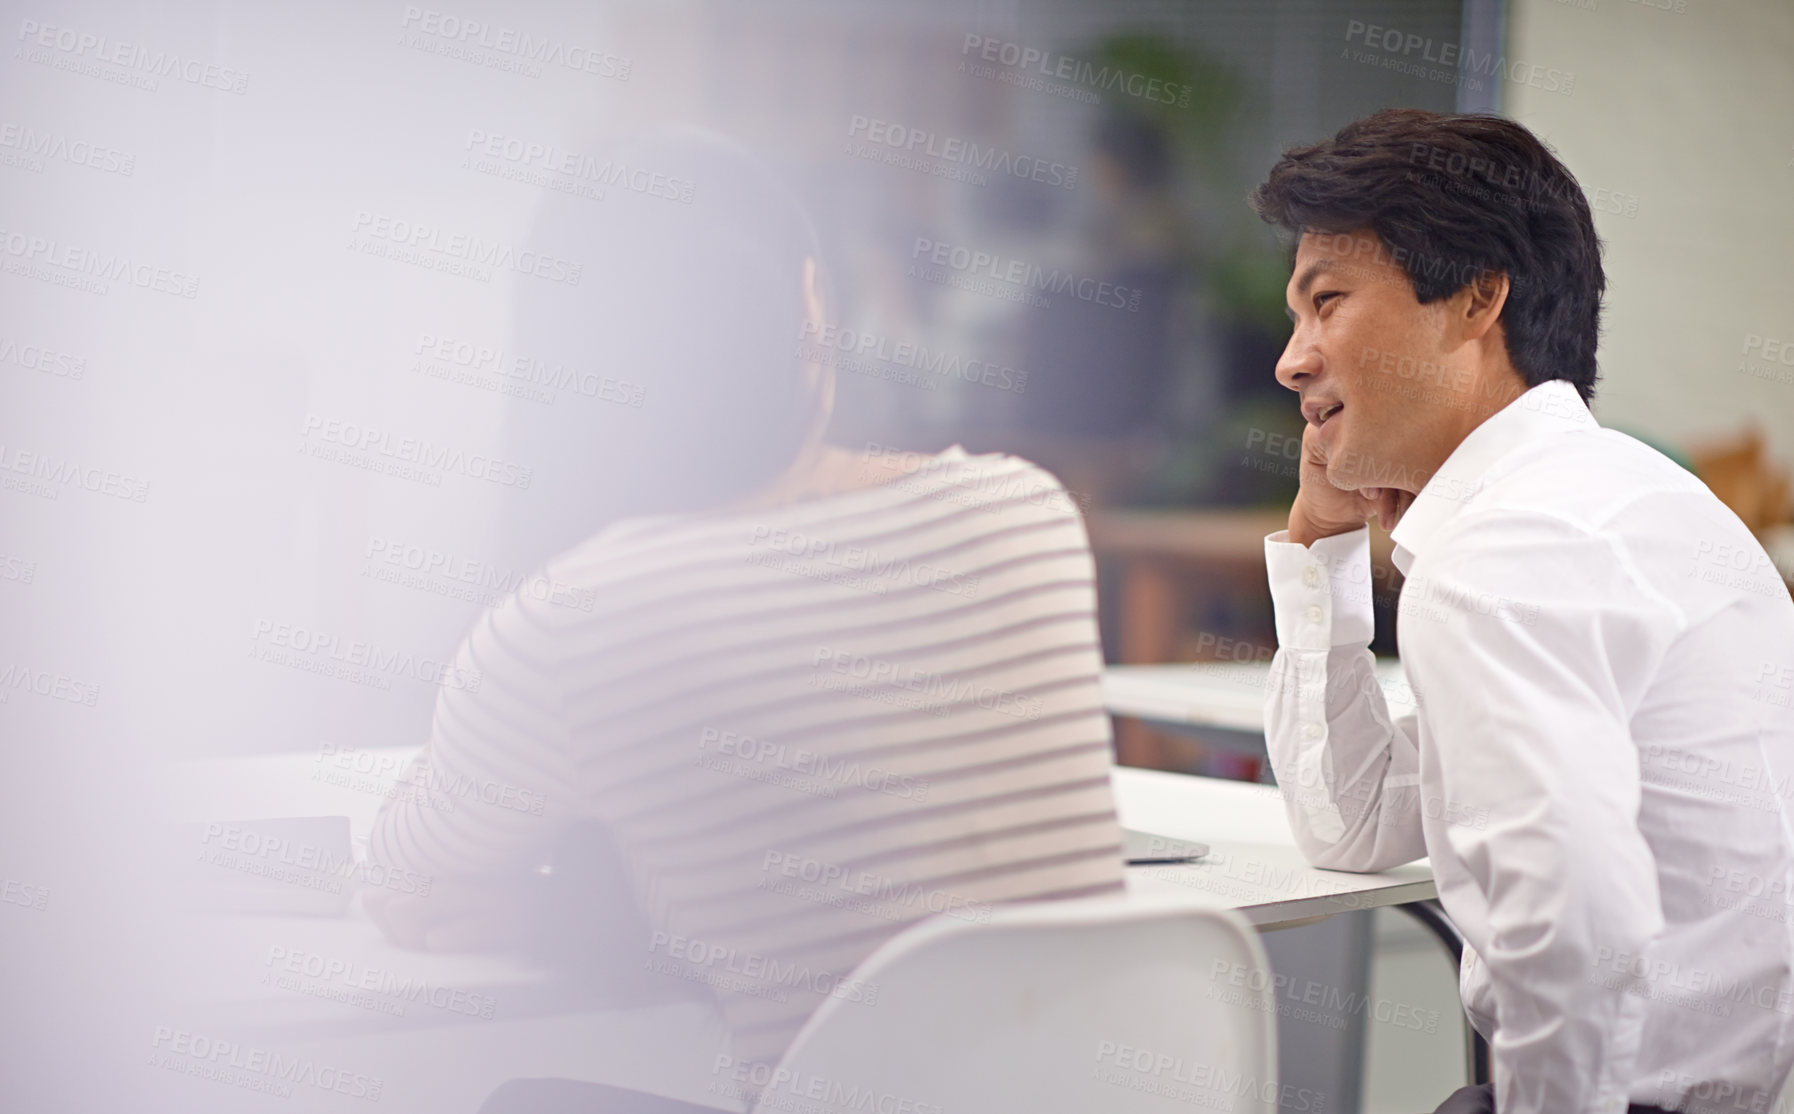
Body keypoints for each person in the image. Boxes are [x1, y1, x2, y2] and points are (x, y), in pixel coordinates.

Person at [362, 132, 1126, 1111]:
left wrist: (554, 913)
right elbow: (881, 871)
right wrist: (581, 918)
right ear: (811, 305)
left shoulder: (575, 617)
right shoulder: (1025, 508)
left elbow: (404, 875)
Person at [1248, 108, 1794, 1114]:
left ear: (1476, 299)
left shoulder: (1510, 553)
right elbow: (1356, 820)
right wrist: (1320, 543)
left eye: (1327, 303)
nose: (1292, 359)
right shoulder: (1617, 499)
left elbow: (1575, 933)